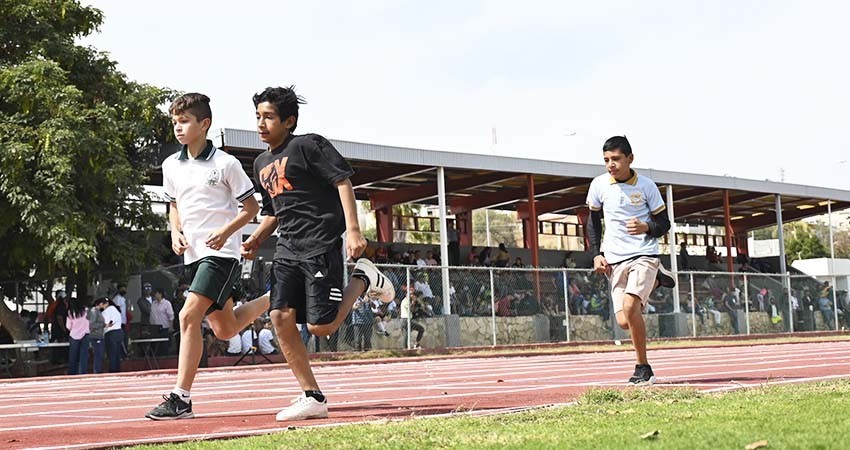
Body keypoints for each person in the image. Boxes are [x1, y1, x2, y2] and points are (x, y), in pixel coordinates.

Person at [242, 86, 395, 421]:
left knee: (320, 327)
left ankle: (363, 278)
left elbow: (342, 182)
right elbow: (273, 211)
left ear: (289, 121)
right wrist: (255, 237)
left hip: (320, 242)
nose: (261, 124)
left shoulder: (308, 145)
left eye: (269, 117)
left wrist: (353, 231)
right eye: (258, 117)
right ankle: (312, 395)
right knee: (280, 316)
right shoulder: (261, 163)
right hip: (286, 248)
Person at [146, 93, 271, 421]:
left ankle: (181, 398)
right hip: (193, 256)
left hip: (221, 255)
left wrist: (226, 232)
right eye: (175, 122)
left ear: (204, 124)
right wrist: (175, 231)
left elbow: (251, 208)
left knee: (188, 316)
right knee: (225, 329)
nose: (178, 127)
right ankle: (276, 297)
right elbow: (173, 205)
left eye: (184, 121)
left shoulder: (226, 164)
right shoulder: (171, 165)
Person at [586, 136, 672, 385]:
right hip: (615, 259)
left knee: (631, 306)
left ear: (630, 158)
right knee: (624, 321)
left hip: (644, 254)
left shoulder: (646, 186)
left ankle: (643, 367)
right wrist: (596, 254)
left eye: (616, 159)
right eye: (606, 160)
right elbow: (592, 222)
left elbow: (664, 223)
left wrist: (646, 226)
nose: (610, 165)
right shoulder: (599, 185)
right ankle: (657, 281)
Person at [65, 296, 90, 375]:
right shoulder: (85, 311)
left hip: (74, 335)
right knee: (84, 355)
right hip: (85, 334)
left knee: (73, 355)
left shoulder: (70, 313)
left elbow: (68, 326)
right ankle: (82, 372)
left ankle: (72, 373)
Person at [102, 299, 124, 373]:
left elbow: (106, 322)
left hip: (110, 333)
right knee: (117, 353)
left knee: (111, 354)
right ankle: (117, 370)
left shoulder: (106, 311)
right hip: (119, 332)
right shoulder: (116, 309)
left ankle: (113, 370)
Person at [88, 298, 108, 374]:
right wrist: (102, 325)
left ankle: (98, 370)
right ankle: (97, 370)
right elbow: (91, 325)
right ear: (101, 304)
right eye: (105, 304)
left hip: (99, 334)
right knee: (98, 354)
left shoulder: (98, 311)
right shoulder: (94, 311)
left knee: (100, 353)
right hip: (95, 335)